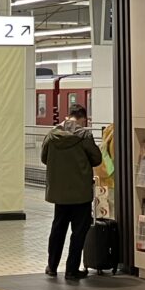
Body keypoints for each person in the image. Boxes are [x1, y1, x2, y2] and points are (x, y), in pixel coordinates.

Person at [41, 104, 101, 280]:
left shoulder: (52, 135)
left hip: (60, 193)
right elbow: (97, 159)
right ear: (82, 118)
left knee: (58, 229)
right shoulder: (84, 136)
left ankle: (52, 266)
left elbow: (44, 158)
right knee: (78, 232)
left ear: (68, 116)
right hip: (80, 193)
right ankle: (71, 270)